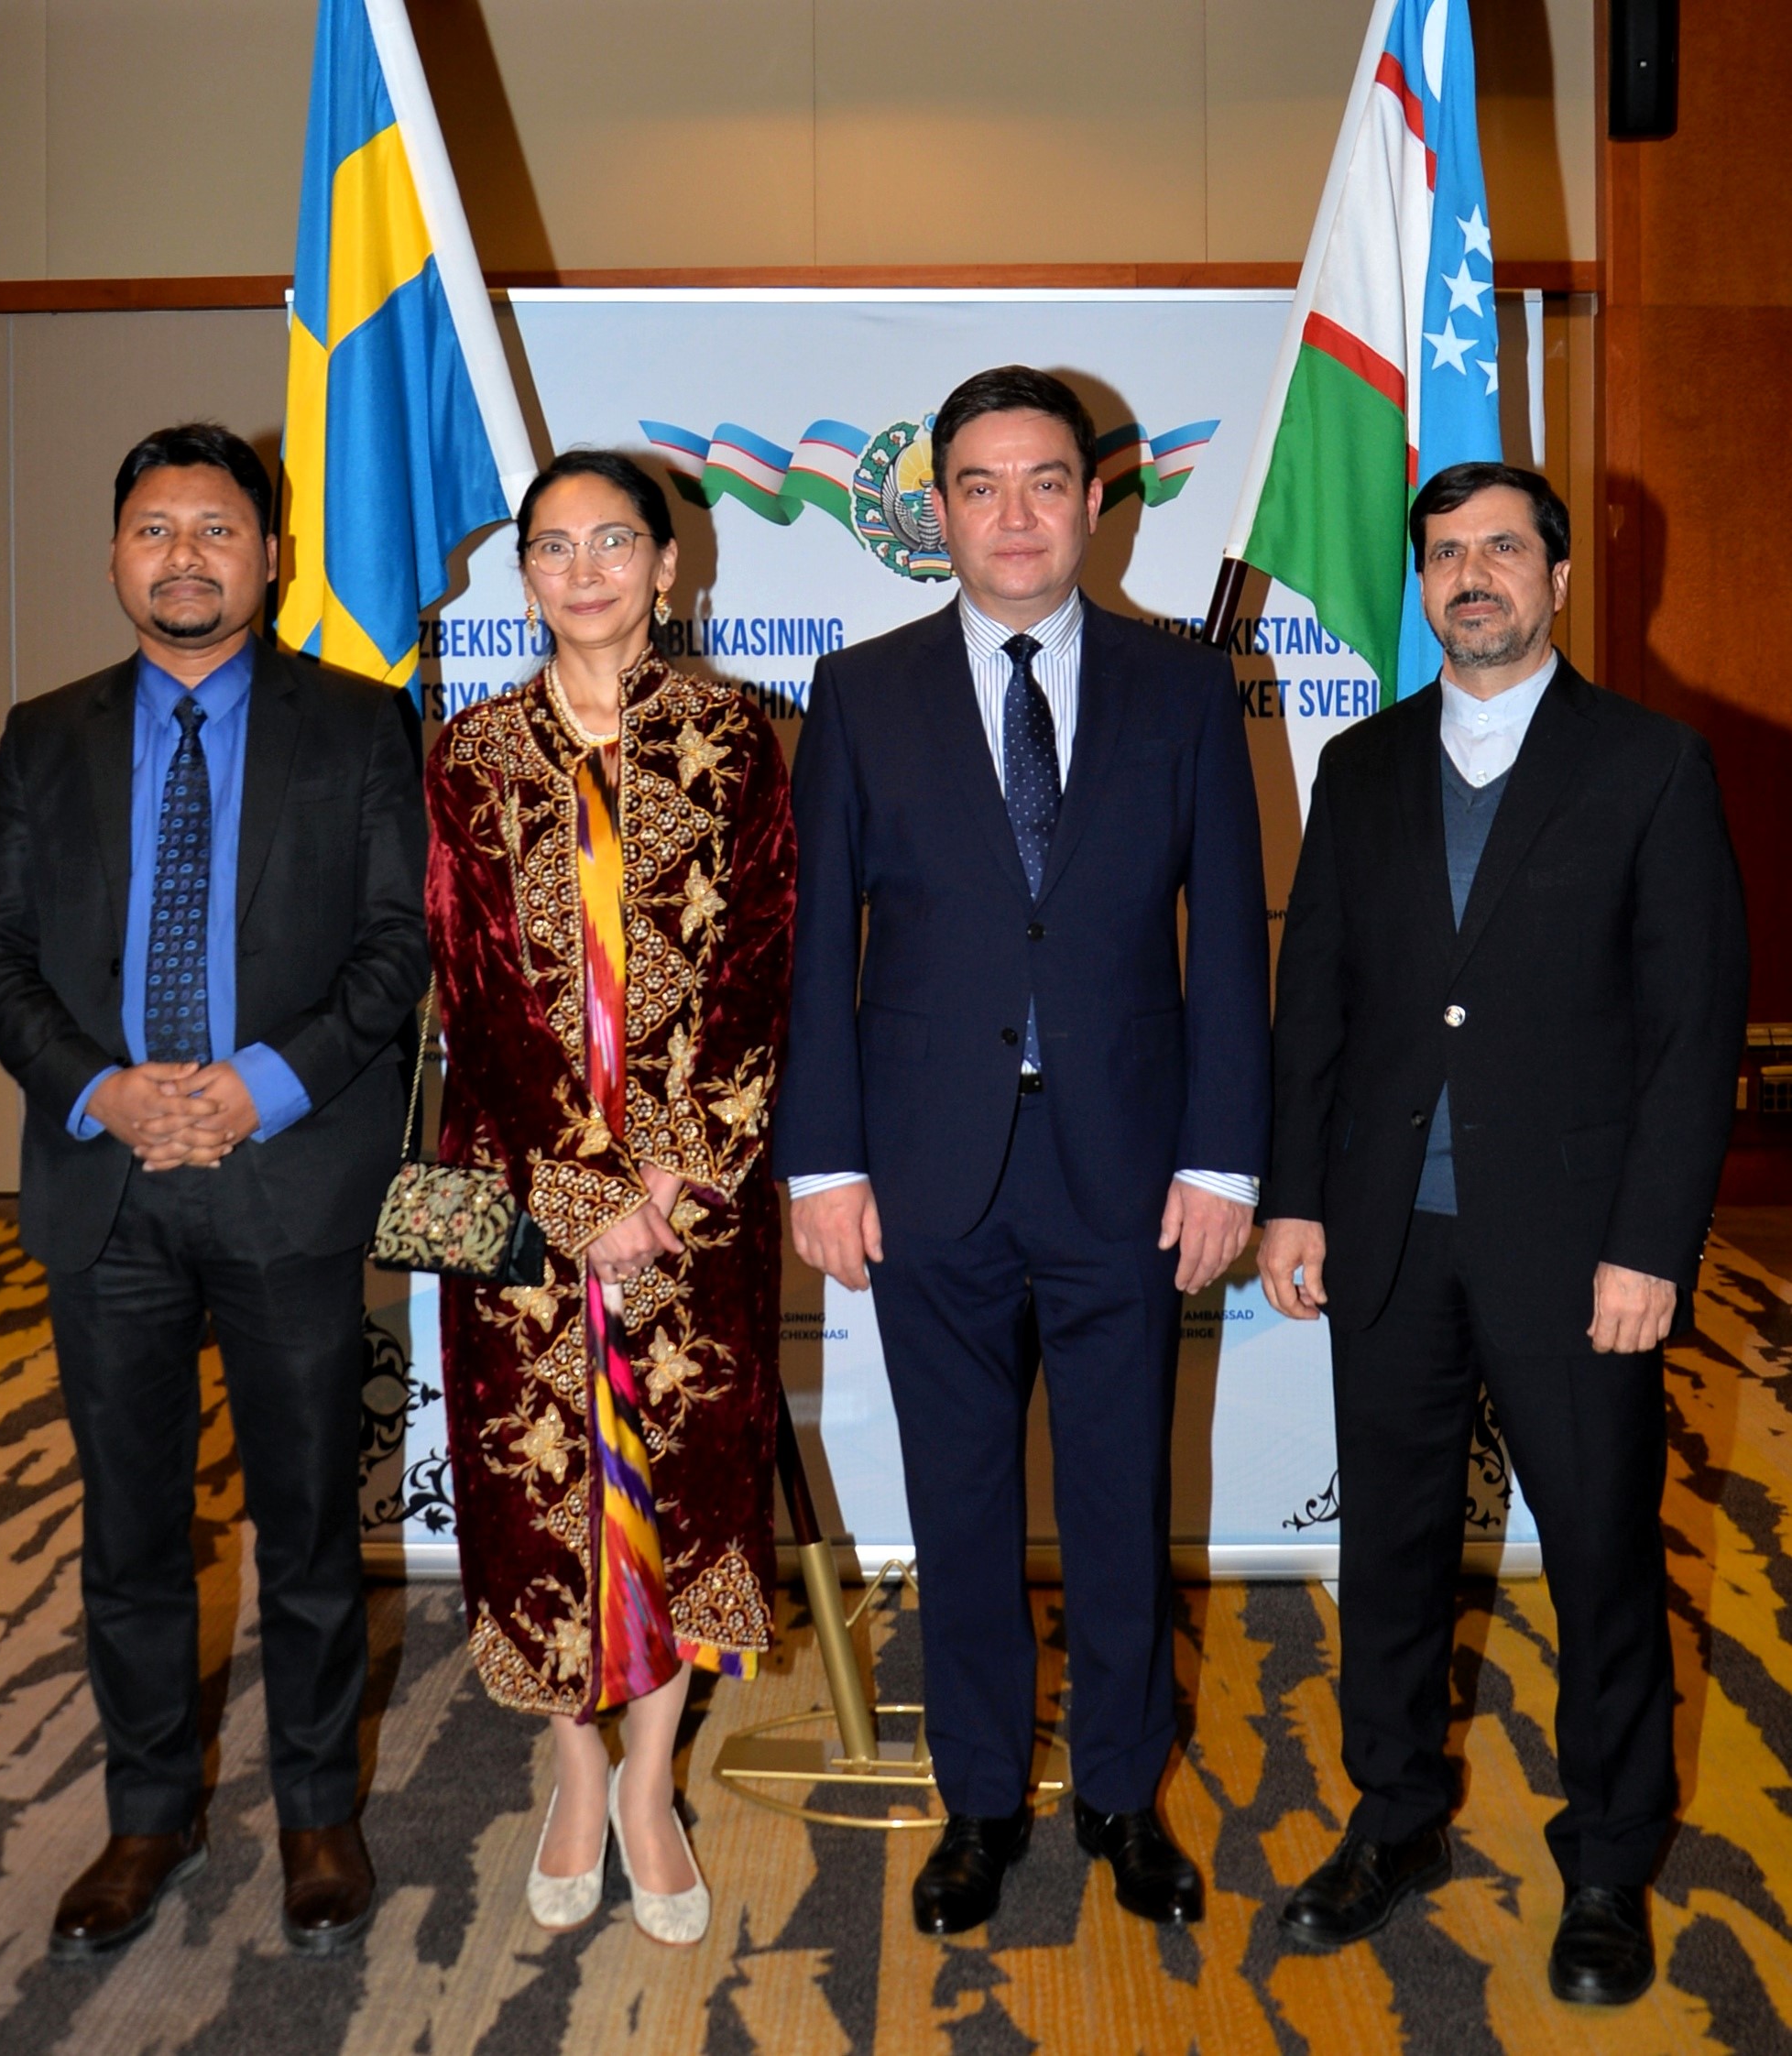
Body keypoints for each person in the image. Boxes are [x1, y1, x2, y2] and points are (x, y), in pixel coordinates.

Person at [776, 366, 1270, 1937]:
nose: (1013, 514)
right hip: (928, 1176)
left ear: (1093, 501)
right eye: (979, 486)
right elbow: (815, 949)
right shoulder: (860, 693)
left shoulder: (1185, 690)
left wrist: (1224, 1161)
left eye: (1044, 481)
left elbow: (1228, 949)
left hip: (1129, 1173)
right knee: (960, 1504)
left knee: (1121, 1504)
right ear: (936, 512)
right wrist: (819, 1162)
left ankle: (1122, 1795)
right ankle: (979, 1803)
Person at [1259, 462, 1748, 2005]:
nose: (1470, 576)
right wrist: (1291, 1197)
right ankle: (1393, 1819)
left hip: (1577, 1252)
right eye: (1444, 555)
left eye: (1500, 551)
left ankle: (1606, 1858)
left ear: (1555, 580)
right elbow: (1313, 1001)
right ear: (1422, 587)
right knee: (1390, 1551)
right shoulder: (1360, 765)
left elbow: (1691, 1033)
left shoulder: (1650, 765)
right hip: (1386, 1239)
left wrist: (1650, 1247)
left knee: (1599, 1555)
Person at [0, 424, 428, 1960]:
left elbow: (398, 948)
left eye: (217, 528)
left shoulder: (358, 725)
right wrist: (101, 1089)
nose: (184, 557)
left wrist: (255, 1085)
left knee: (305, 1524)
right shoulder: (44, 735)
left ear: (271, 557)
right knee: (130, 1529)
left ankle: (317, 1814)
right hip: (105, 1189)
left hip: (289, 1178)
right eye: (154, 528)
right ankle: (147, 1815)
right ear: (115, 555)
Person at [425, 450, 794, 1948]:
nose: (584, 571)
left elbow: (762, 957)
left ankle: (649, 1780)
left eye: (613, 542)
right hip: (514, 1180)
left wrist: (676, 1174)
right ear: (523, 575)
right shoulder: (469, 750)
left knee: (684, 1480)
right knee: (533, 1487)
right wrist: (582, 1187)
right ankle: (571, 1772)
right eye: (554, 547)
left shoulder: (733, 735)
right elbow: (474, 988)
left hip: (695, 1194)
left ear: (666, 564)